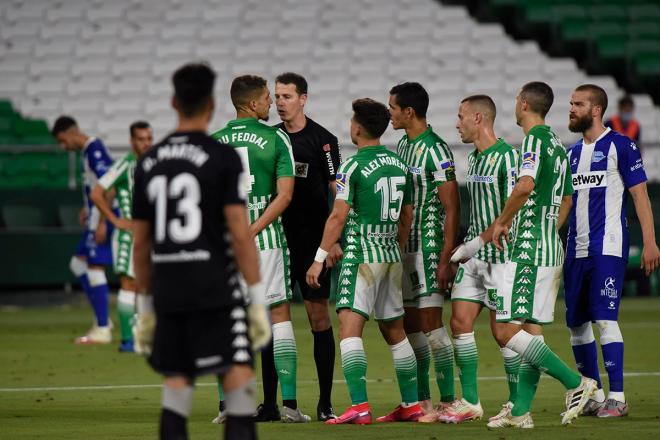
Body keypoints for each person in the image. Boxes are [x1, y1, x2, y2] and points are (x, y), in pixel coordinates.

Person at [131, 62, 271, 440]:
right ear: (211, 104)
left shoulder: (148, 162)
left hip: (169, 292)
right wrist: (257, 300)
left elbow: (141, 244)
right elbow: (241, 235)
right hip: (216, 290)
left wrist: (144, 309)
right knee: (240, 386)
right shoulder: (221, 156)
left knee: (176, 390)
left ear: (174, 101)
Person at [453, 81, 597, 428]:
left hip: (529, 251)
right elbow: (566, 199)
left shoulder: (533, 141)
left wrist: (503, 222)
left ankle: (577, 383)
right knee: (530, 331)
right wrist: (548, 230)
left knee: (505, 330)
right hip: (550, 247)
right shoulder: (559, 146)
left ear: (523, 104)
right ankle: (520, 412)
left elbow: (525, 185)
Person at [307, 98, 423, 425]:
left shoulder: (353, 166)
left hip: (361, 255)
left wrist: (318, 259)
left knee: (348, 327)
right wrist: (395, 249)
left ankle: (359, 407)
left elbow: (338, 216)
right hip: (390, 254)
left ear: (357, 127)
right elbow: (407, 214)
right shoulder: (399, 164)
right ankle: (412, 404)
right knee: (395, 331)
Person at [212, 75, 310, 423]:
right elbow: (285, 196)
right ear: (252, 103)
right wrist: (252, 229)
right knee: (279, 316)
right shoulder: (275, 137)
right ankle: (290, 406)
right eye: (268, 98)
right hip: (266, 241)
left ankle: (228, 407)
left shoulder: (214, 142)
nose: (272, 104)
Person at [565, 84, 660, 417]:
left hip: (607, 246)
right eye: (571, 103)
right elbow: (565, 204)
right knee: (576, 324)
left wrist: (649, 241)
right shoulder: (571, 154)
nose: (571, 108)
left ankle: (617, 397)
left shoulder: (621, 145)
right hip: (574, 249)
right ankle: (593, 393)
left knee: (604, 318)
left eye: (578, 104)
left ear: (596, 109)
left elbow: (640, 197)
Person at [435, 95, 520, 424]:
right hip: (473, 259)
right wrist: (469, 249)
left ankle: (515, 403)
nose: (457, 124)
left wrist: (475, 243)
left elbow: (511, 212)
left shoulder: (506, 159)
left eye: (461, 117)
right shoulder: (474, 159)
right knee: (459, 323)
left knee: (503, 333)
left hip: (501, 256)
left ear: (479, 118)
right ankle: (470, 401)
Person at [272, 72, 341, 421]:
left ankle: (325, 402)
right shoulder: (271, 140)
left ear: (303, 99)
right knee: (274, 319)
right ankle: (272, 404)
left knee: (318, 317)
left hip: (314, 243)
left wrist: (335, 240)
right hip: (276, 242)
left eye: (286, 96)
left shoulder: (324, 141)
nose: (280, 102)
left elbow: (337, 192)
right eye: (277, 96)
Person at [388, 82, 459, 419]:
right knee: (412, 326)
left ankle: (449, 401)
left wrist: (446, 256)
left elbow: (452, 206)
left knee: (432, 325)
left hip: (429, 249)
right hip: (404, 249)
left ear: (409, 111)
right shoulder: (402, 146)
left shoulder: (437, 150)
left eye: (393, 108)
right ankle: (423, 401)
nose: (390, 114)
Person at [90, 121, 153, 352]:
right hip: (129, 236)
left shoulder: (153, 163)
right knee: (130, 284)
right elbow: (98, 192)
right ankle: (128, 340)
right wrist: (113, 219)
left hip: (151, 235)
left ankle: (143, 335)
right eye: (141, 139)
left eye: (149, 138)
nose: (146, 143)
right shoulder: (125, 165)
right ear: (131, 141)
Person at [52, 116, 114, 344]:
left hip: (101, 218)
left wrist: (103, 222)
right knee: (78, 264)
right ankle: (103, 316)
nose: (62, 146)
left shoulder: (94, 149)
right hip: (93, 215)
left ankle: (103, 328)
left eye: (62, 140)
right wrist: (86, 207)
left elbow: (110, 184)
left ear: (71, 133)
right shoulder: (87, 152)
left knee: (94, 267)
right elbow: (96, 185)